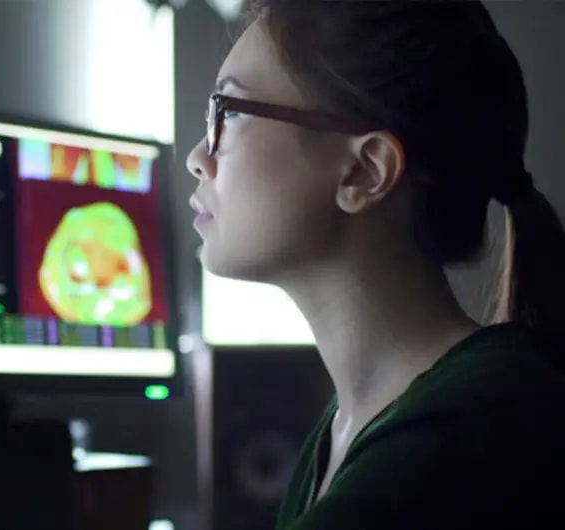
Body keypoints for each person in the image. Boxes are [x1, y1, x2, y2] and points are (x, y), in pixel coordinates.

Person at [186, 1, 565, 528]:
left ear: (365, 171)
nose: (198, 156)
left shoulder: (469, 426)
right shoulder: (345, 427)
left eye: (227, 112)